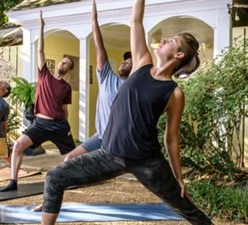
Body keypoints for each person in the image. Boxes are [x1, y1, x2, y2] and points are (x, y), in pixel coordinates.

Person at [39, 0, 213, 224]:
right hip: (109, 154)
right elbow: (136, 20)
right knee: (55, 177)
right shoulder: (142, 63)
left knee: (183, 205)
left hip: (147, 160)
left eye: (170, 41)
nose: (162, 41)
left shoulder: (174, 93)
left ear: (179, 55)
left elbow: (172, 137)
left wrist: (178, 176)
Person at [31, 0, 132, 212]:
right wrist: (94, 20)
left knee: (145, 175)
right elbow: (100, 48)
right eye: (124, 60)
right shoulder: (107, 77)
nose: (124, 62)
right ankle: (51, 199)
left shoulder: (135, 85)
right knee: (68, 159)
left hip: (122, 142)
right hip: (101, 136)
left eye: (129, 61)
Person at [0, 10, 76, 192]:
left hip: (59, 125)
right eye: (62, 61)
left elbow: (65, 109)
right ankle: (13, 182)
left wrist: (65, 124)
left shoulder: (66, 87)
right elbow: (40, 50)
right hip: (40, 124)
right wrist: (41, 26)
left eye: (66, 64)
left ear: (69, 69)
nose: (62, 64)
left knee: (73, 155)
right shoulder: (45, 75)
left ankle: (68, 178)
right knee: (17, 145)